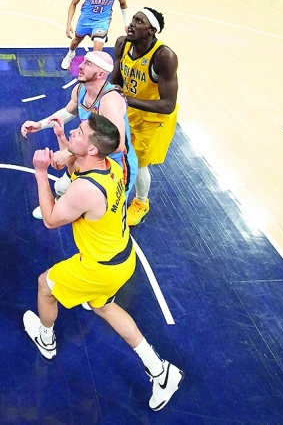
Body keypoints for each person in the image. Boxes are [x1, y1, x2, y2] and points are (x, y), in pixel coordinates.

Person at [23, 113, 183, 411]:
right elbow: (74, 167)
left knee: (45, 285)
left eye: (79, 131)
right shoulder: (110, 166)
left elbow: (50, 218)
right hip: (122, 257)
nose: (74, 130)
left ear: (93, 149)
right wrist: (62, 140)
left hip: (98, 267)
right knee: (104, 306)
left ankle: (46, 339)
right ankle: (161, 371)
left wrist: (41, 172)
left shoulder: (86, 189)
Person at [21, 51, 137, 214]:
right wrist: (40, 124)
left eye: (88, 64)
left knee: (111, 210)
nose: (80, 66)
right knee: (62, 186)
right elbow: (69, 111)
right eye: (83, 62)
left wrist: (68, 152)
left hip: (115, 163)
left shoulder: (109, 100)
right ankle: (58, 205)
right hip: (90, 153)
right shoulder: (80, 89)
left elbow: (117, 145)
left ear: (101, 74)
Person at [109, 8, 178, 226]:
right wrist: (106, 94)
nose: (131, 24)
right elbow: (116, 77)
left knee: (138, 163)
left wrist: (126, 99)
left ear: (151, 30)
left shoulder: (164, 56)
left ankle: (141, 202)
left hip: (154, 118)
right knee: (119, 152)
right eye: (132, 20)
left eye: (139, 22)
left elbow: (168, 104)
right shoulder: (122, 43)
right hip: (129, 109)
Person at [61, 0, 128, 70]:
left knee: (97, 53)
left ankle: (91, 73)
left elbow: (123, 4)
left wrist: (126, 23)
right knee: (75, 42)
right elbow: (73, 3)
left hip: (101, 21)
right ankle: (70, 54)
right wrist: (68, 24)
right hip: (85, 20)